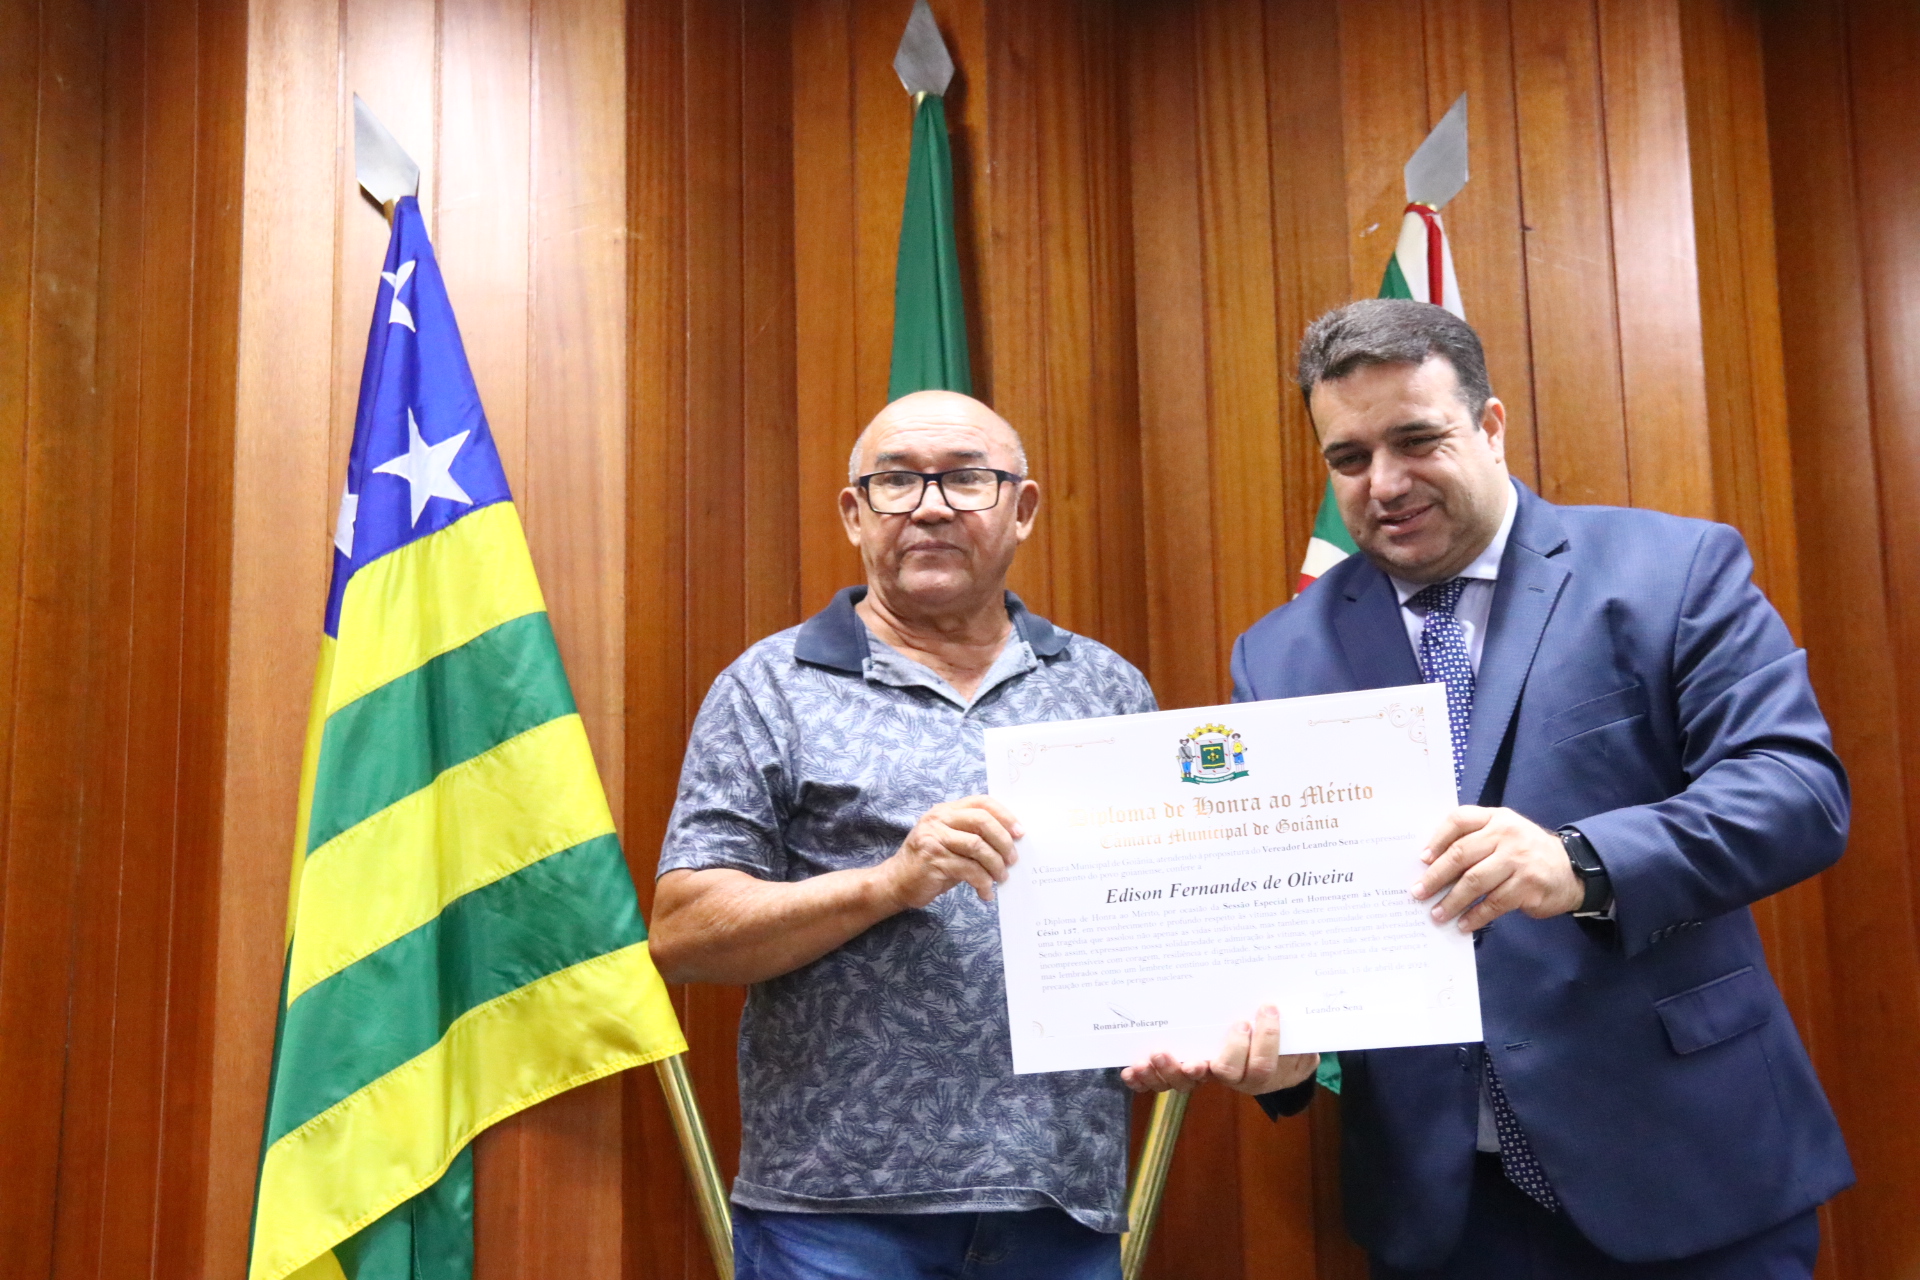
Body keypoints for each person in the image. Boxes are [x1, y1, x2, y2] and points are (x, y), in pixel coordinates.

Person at [1124, 299, 1852, 1278]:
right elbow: (1290, 912)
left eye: (1416, 440)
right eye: (1349, 458)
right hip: (1446, 1209)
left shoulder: (1671, 568)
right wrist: (1288, 1052)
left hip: (1685, 1163)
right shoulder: (1281, 654)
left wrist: (1580, 861)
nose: (1385, 483)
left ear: (1492, 424)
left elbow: (1796, 791)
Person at [651, 390, 1156, 1280]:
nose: (930, 506)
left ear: (1022, 509)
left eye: (966, 479)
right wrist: (888, 883)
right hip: (834, 1219)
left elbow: (1161, 913)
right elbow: (685, 933)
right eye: (896, 482)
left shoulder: (1106, 688)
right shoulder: (769, 687)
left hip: (1059, 1206)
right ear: (855, 514)